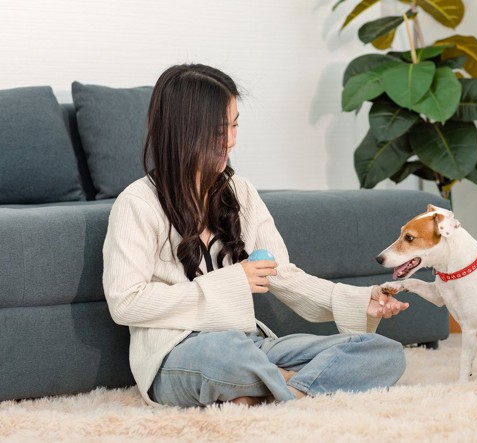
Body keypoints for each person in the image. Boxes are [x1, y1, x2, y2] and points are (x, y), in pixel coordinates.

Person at [102, 63, 410, 408]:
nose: (231, 140)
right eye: (220, 129)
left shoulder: (241, 192)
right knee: (221, 354)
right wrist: (233, 282)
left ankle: (271, 391)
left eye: (234, 125)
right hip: (179, 354)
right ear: (185, 130)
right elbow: (125, 303)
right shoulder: (137, 203)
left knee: (383, 353)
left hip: (250, 345)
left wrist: (357, 299)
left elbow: (283, 275)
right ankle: (289, 383)